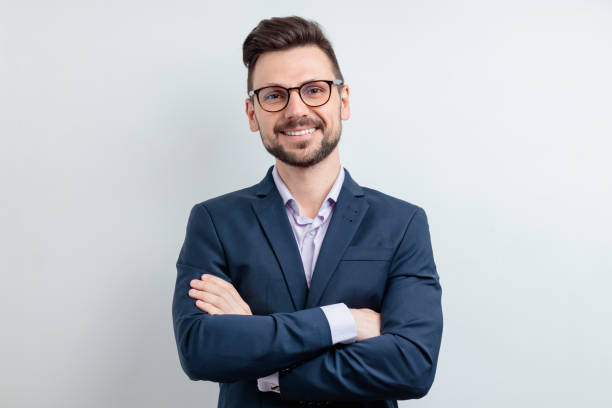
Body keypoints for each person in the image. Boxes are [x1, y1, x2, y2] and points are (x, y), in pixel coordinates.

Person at [172, 16, 443, 408]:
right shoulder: (215, 222)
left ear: (343, 100)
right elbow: (200, 350)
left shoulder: (402, 224)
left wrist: (262, 355)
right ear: (253, 114)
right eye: (273, 95)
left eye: (314, 90)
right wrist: (344, 322)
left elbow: (412, 365)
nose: (296, 109)